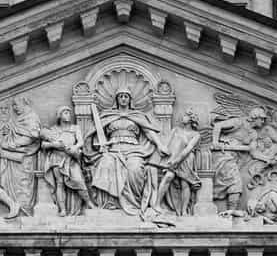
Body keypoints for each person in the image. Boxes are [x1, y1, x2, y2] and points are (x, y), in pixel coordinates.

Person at [85, 88, 165, 217]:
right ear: (116, 99)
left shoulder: (137, 116)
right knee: (106, 163)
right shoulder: (107, 115)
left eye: (126, 96)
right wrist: (99, 146)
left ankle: (134, 203)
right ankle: (110, 204)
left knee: (135, 169)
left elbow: (149, 132)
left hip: (134, 149)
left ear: (130, 99)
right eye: (120, 96)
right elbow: (96, 134)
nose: (123, 98)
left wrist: (160, 145)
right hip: (113, 149)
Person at [39, 107, 94, 216]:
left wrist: (75, 147)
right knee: (60, 183)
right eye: (65, 112)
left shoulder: (75, 128)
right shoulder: (53, 129)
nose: (68, 114)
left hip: (71, 157)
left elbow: (81, 142)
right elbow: (43, 144)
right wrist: (53, 145)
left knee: (78, 180)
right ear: (59, 115)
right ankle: (62, 209)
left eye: (69, 112)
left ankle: (88, 202)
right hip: (57, 157)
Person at [152, 110, 204, 215]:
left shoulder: (196, 134)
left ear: (191, 119)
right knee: (168, 177)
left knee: (185, 183)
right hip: (174, 158)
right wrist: (165, 156)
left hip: (186, 159)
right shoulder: (175, 130)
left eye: (185, 115)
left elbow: (188, 149)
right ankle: (156, 204)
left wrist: (176, 161)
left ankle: (184, 211)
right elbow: (167, 144)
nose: (182, 117)